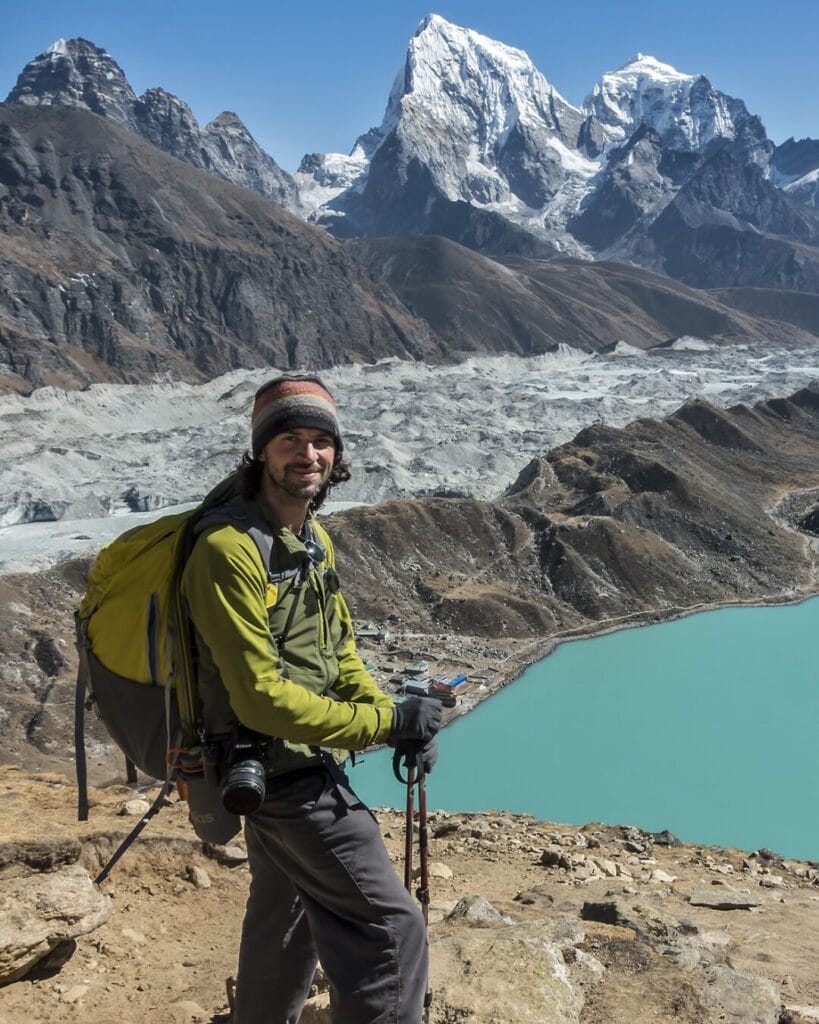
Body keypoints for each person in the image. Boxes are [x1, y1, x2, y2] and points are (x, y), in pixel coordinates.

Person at [180, 373, 441, 1024]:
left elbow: (340, 654)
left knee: (286, 916)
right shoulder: (226, 550)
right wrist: (386, 720)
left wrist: (396, 722)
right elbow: (262, 698)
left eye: (321, 441)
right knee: (390, 929)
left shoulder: (311, 542)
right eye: (290, 439)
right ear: (262, 450)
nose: (308, 455)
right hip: (272, 768)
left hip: (289, 765)